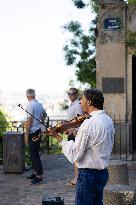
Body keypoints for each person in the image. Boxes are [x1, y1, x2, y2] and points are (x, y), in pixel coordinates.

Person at [48, 88, 115, 205]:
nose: (80, 102)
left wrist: (59, 139)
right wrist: (78, 131)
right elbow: (96, 138)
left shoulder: (89, 123)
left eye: (82, 99)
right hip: (102, 174)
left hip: (88, 176)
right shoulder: (107, 119)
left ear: (89, 102)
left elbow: (74, 154)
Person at [25, 88, 47, 185]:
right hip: (38, 131)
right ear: (34, 95)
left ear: (27, 96)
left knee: (34, 154)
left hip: (33, 132)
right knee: (34, 152)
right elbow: (45, 114)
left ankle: (39, 175)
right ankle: (35, 172)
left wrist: (26, 134)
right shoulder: (39, 104)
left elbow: (29, 121)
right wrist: (40, 122)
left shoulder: (30, 105)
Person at [66, 88, 83, 185]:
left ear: (76, 94)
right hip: (71, 132)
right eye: (69, 94)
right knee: (74, 155)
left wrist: (74, 130)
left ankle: (77, 178)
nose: (70, 95)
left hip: (75, 132)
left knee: (76, 155)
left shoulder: (77, 105)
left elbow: (79, 121)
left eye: (72, 94)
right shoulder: (72, 105)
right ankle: (77, 176)